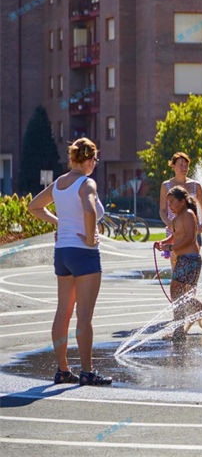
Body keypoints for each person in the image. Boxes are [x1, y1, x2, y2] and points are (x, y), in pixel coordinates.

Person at [27, 137, 112, 385]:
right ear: (88, 159)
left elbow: (33, 206)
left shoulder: (60, 183)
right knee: (84, 315)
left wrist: (59, 223)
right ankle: (87, 371)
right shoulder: (87, 183)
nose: (95, 164)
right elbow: (89, 210)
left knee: (63, 312)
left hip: (62, 252)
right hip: (83, 252)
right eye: (95, 159)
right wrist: (89, 238)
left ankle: (63, 369)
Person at [153, 185, 202, 341]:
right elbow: (175, 236)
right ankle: (184, 327)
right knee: (180, 296)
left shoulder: (189, 215)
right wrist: (163, 242)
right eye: (168, 203)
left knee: (178, 295)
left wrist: (171, 247)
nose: (169, 206)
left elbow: (190, 238)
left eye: (172, 202)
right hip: (183, 259)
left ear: (183, 201)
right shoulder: (176, 219)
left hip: (190, 259)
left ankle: (192, 323)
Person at [158, 152, 202, 271]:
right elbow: (162, 210)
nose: (184, 168)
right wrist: (169, 224)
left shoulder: (196, 185)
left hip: (193, 230)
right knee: (176, 266)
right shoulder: (166, 185)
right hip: (174, 231)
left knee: (191, 267)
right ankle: (178, 289)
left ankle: (191, 289)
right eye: (180, 165)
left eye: (186, 165)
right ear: (173, 166)